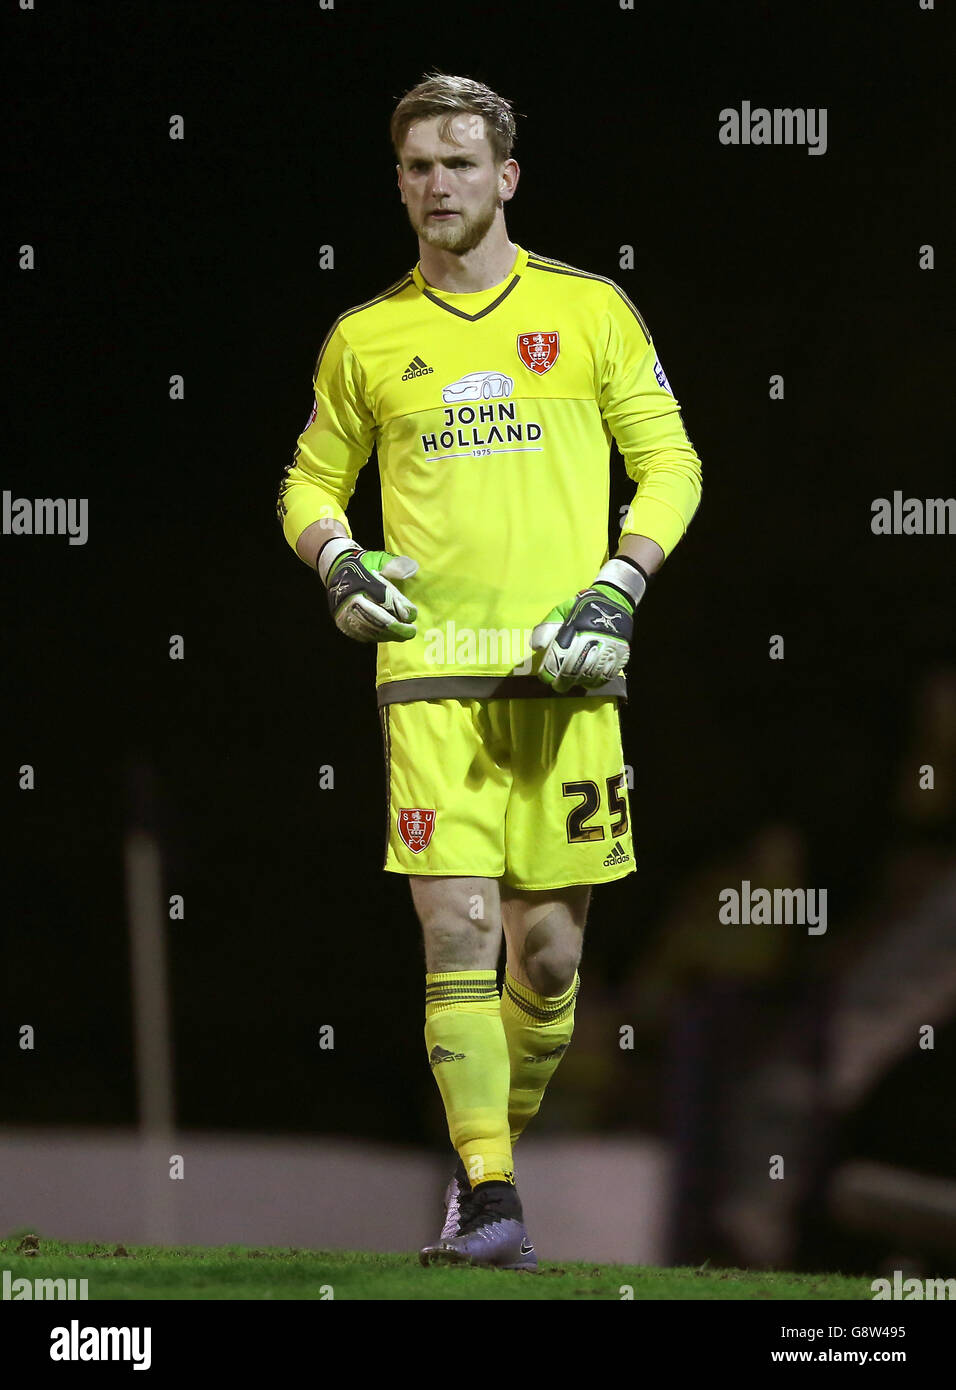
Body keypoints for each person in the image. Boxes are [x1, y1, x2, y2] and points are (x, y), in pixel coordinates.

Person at [276, 70, 702, 1270]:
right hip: (426, 681)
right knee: (456, 928)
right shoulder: (366, 336)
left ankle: (478, 1167)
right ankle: (497, 1197)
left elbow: (670, 464)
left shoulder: (589, 312)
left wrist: (618, 584)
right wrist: (339, 561)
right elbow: (307, 482)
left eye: (458, 163)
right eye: (415, 166)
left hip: (565, 679)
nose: (435, 186)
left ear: (504, 176)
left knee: (550, 958)